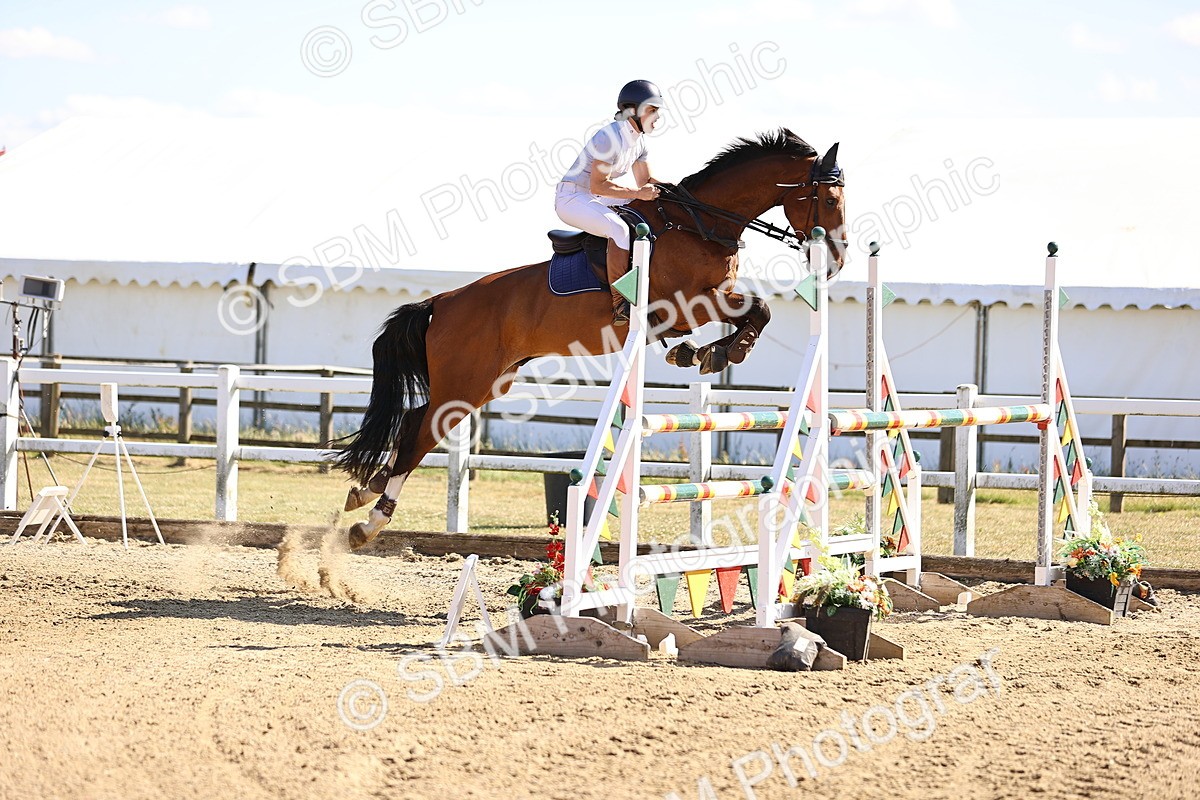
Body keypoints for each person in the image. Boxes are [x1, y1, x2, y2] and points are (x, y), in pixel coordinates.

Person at [556, 80, 664, 326]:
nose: (657, 117)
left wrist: (678, 192)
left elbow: (645, 181)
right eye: (652, 110)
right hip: (572, 197)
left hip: (594, 196)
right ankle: (621, 302)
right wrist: (638, 194)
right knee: (619, 229)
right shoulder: (609, 138)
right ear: (634, 111)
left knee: (646, 209)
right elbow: (598, 185)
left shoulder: (640, 142)